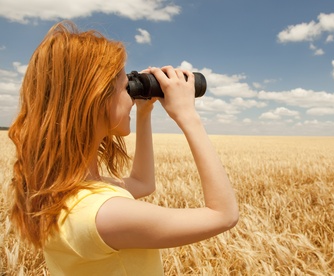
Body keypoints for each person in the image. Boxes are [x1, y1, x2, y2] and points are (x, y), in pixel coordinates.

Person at [8, 21, 239, 275]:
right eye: (124, 85)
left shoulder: (63, 190)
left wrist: (144, 112)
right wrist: (188, 117)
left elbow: (142, 183)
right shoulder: (105, 214)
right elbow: (223, 215)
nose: (131, 95)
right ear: (96, 98)